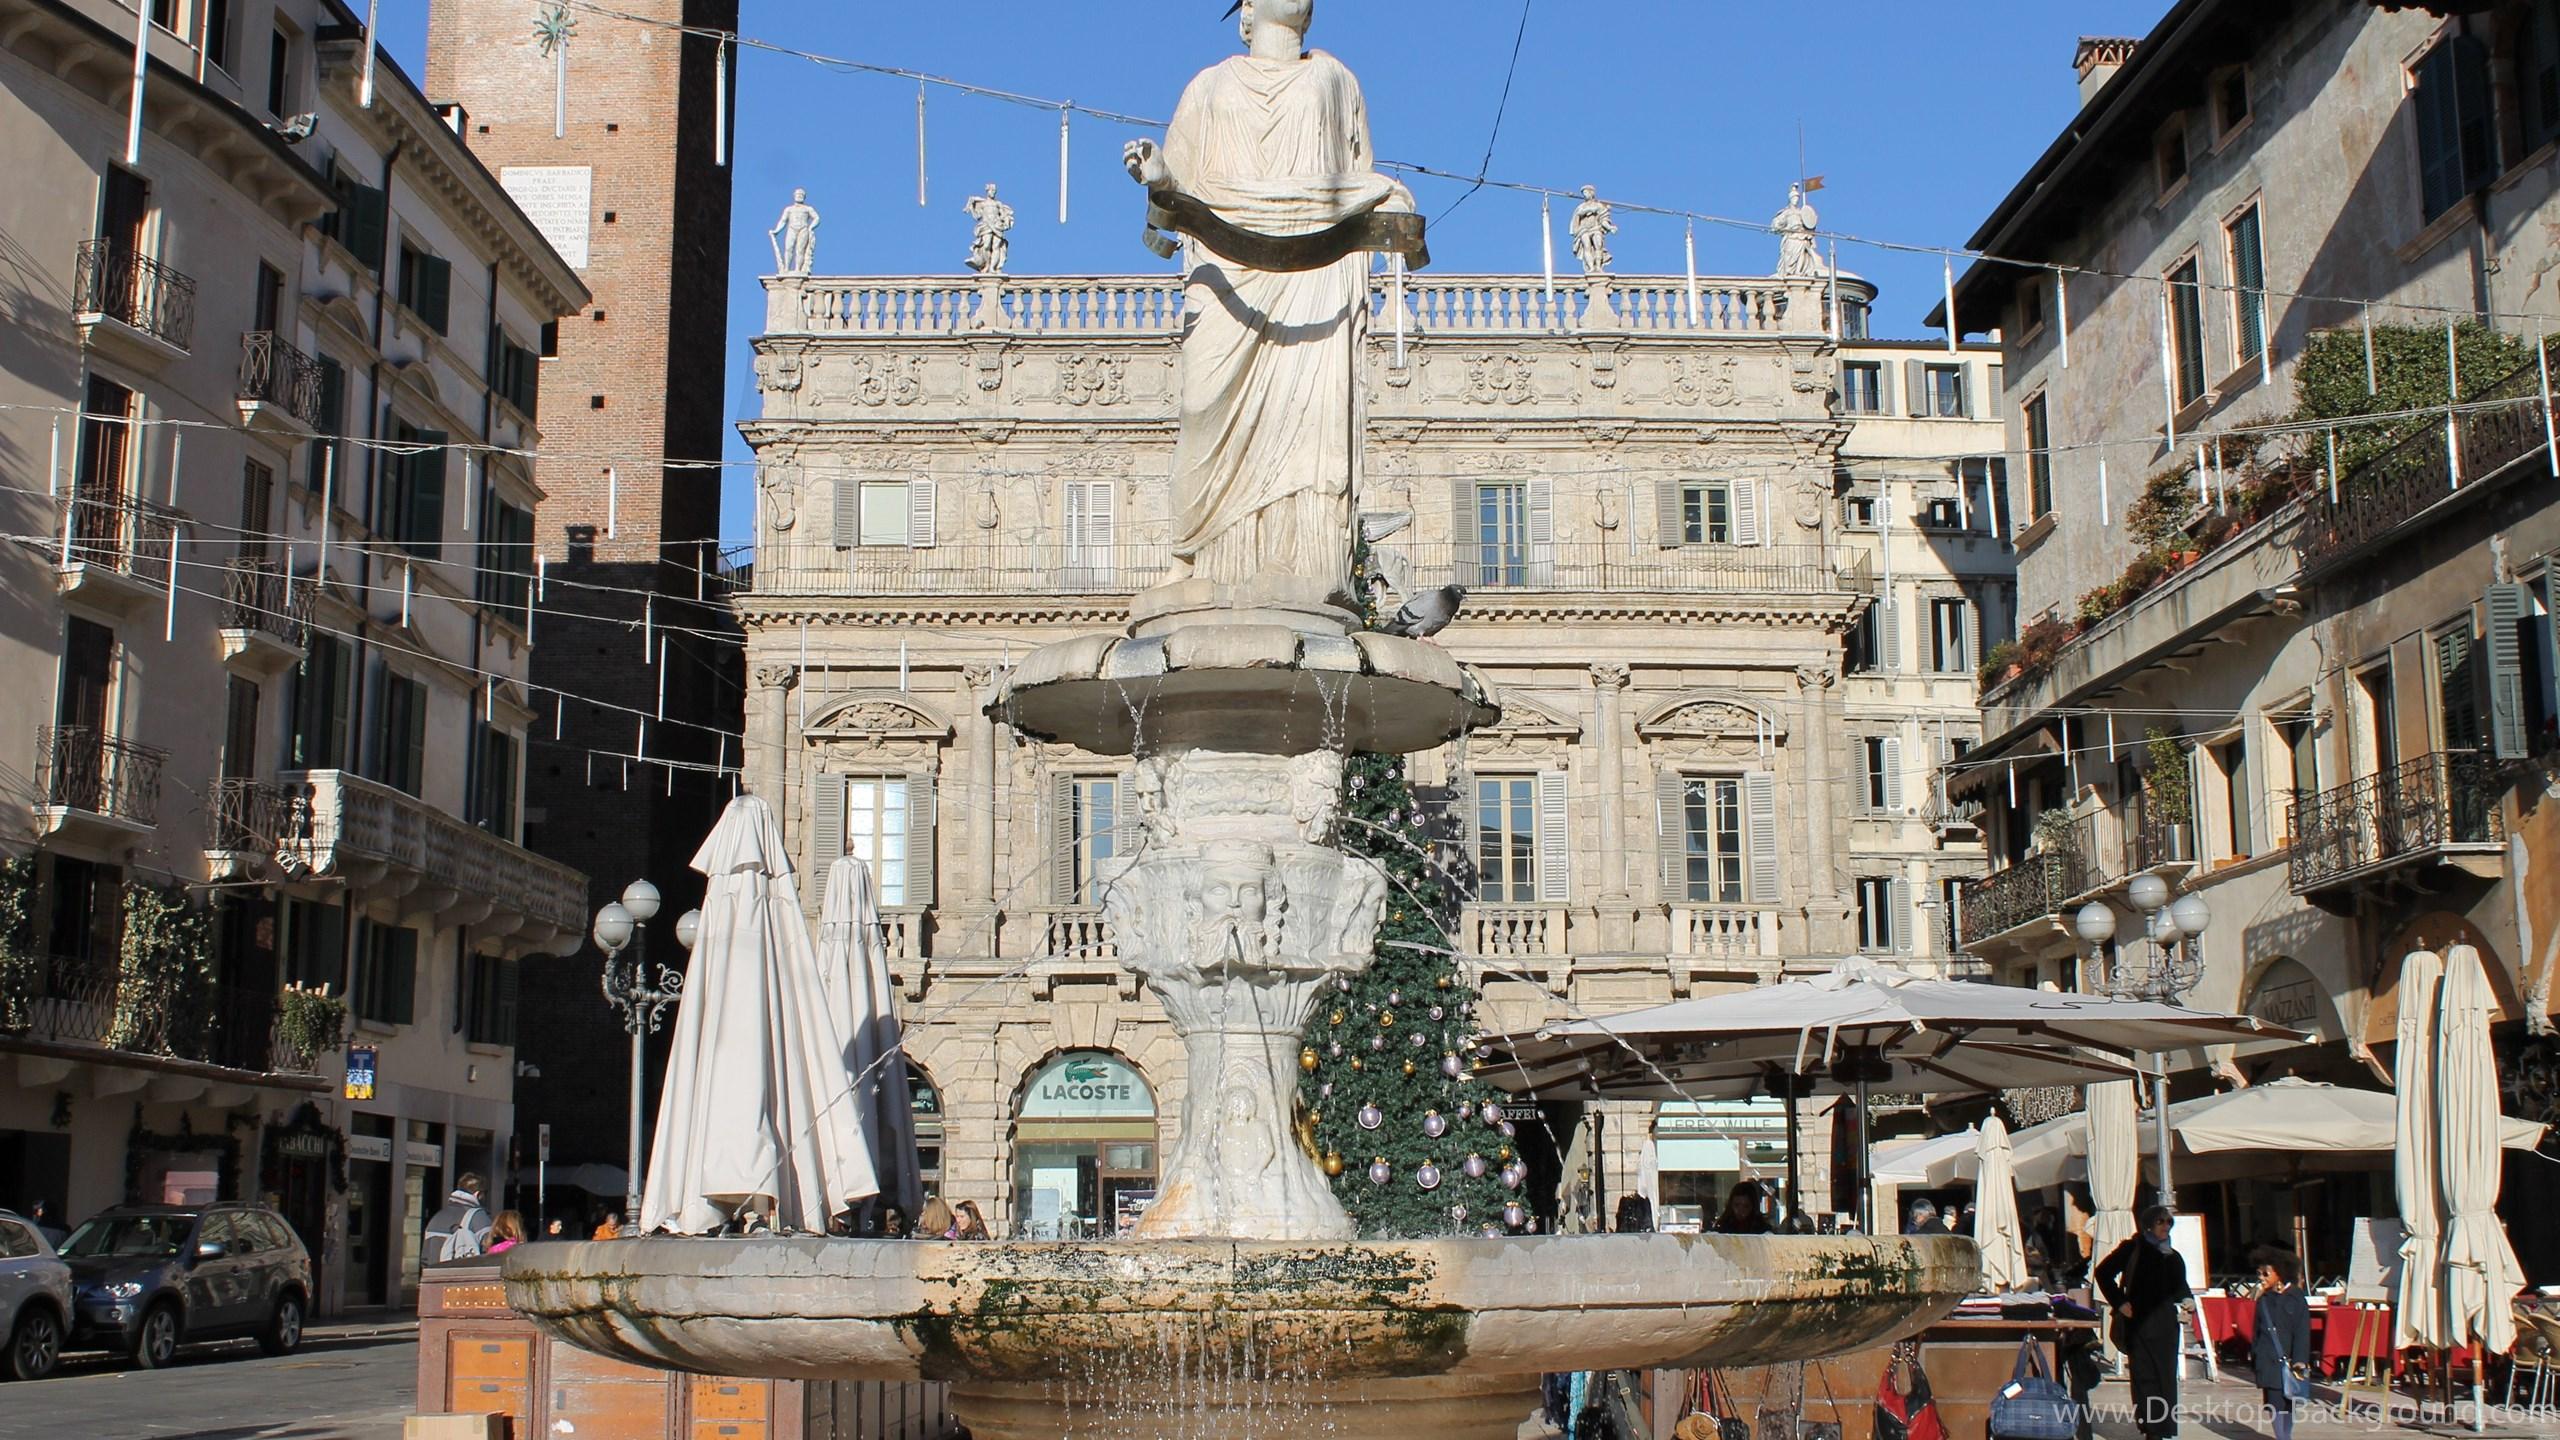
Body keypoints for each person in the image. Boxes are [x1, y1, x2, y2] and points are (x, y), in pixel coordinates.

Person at [2094, 1206, 2193, 1440]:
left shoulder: (2172, 1255)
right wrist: (2119, 1302)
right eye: (2160, 1222)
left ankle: (2165, 1428)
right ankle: (2151, 1429)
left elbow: (2180, 1285)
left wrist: (2188, 1300)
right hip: (2138, 1323)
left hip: (2166, 1325)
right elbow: (2103, 1272)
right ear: (2148, 1224)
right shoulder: (2133, 1248)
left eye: (2169, 1222)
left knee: (2166, 1376)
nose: (2165, 1226)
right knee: (2144, 1376)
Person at [2251, 1247, 2312, 1440]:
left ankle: (2286, 1435)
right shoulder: (2263, 1300)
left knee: (2289, 1402)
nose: (2262, 1277)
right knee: (2274, 1402)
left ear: (2280, 1272)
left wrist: (2301, 1359)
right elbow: (2256, 1331)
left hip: (2290, 1359)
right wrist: (2255, 1355)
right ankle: (2282, 1437)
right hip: (2267, 1359)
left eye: (2266, 1273)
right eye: (2259, 1273)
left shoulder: (2296, 1298)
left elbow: (2302, 1331)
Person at [423, 1173, 492, 1263]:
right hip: (462, 1274)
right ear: (478, 1194)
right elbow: (490, 1251)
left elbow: (425, 1258)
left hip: (434, 1275)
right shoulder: (479, 1217)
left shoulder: (436, 1217)